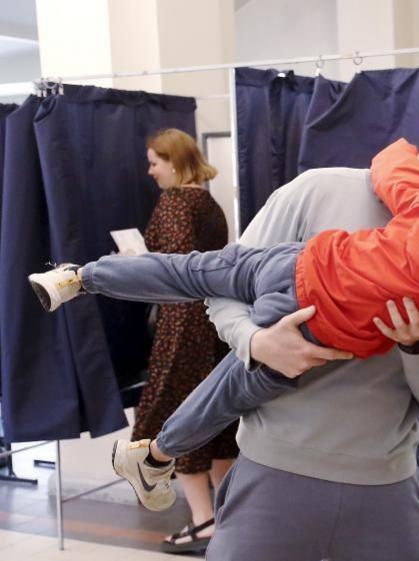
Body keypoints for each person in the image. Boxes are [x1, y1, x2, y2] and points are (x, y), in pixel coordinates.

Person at [31, 95, 419, 507]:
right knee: (223, 363)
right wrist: (256, 342)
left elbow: (392, 168)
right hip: (294, 341)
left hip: (306, 281)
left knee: (195, 279)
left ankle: (84, 281)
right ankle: (149, 450)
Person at [134, 129, 238, 554]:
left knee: (176, 419)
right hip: (214, 320)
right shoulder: (207, 202)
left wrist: (136, 265)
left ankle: (203, 520)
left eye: (155, 163)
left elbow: (175, 268)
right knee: (218, 419)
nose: (150, 171)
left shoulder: (176, 202)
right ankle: (228, 516)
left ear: (174, 163)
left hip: (183, 324)